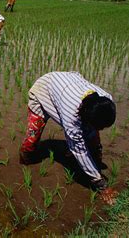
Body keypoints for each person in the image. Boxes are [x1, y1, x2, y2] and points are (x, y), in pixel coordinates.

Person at [19, 72, 118, 205]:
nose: (101, 130)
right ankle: (24, 161)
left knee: (92, 135)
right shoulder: (71, 116)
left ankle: (95, 162)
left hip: (66, 86)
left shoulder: (106, 100)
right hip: (42, 90)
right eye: (100, 126)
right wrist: (101, 185)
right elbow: (79, 149)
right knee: (32, 138)